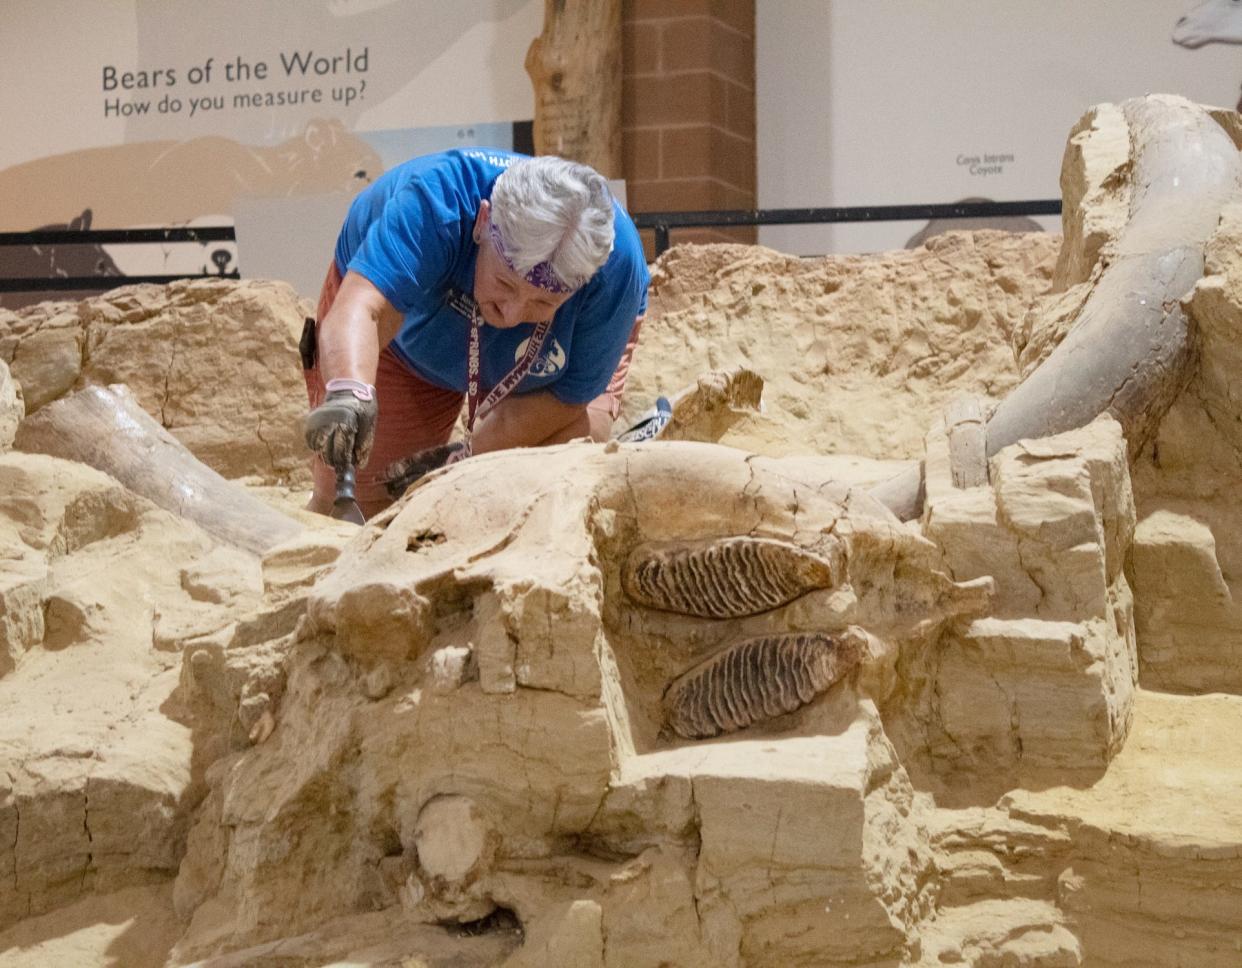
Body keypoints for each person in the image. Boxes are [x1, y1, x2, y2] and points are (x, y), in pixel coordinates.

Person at [301, 148, 650, 518]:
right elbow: (363, 307)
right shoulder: (437, 201)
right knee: (359, 498)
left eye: (542, 303)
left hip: (550, 363)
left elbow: (566, 398)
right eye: (505, 283)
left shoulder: (617, 269)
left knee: (563, 467)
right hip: (408, 340)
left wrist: (466, 460)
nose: (513, 314)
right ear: (483, 222)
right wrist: (349, 392)